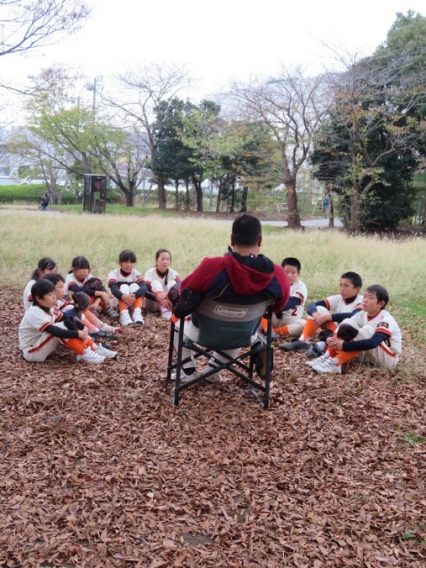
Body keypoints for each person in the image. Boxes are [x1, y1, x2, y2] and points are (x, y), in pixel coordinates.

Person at [171, 214, 290, 381]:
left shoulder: (211, 267)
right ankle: (212, 372)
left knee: (176, 324)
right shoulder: (277, 275)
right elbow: (279, 306)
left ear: (232, 239)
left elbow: (185, 292)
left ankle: (189, 372)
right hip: (244, 334)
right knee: (240, 325)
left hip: (203, 332)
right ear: (260, 240)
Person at [308, 285, 402, 374]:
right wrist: (330, 337)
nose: (365, 300)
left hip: (387, 359)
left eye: (370, 298)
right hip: (367, 354)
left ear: (381, 303)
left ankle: (336, 363)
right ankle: (328, 356)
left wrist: (344, 345)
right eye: (364, 296)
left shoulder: (385, 319)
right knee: (347, 322)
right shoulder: (363, 314)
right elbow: (343, 325)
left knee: (368, 330)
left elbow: (373, 342)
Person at [19, 279, 112, 364]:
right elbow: (54, 331)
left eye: (54, 293)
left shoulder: (48, 307)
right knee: (59, 327)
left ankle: (94, 347)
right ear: (39, 298)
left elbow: (65, 318)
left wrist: (83, 327)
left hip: (41, 343)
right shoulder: (35, 312)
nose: (54, 297)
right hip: (31, 351)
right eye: (50, 295)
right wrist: (77, 334)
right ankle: (84, 352)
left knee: (67, 322)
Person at [279, 271, 363, 356]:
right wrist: (316, 315)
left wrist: (328, 317)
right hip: (335, 333)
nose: (342, 288)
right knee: (319, 309)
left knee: (345, 324)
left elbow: (353, 316)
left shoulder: (361, 301)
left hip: (350, 337)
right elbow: (312, 305)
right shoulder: (339, 298)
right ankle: (303, 341)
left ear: (357, 289)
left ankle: (320, 347)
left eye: (346, 286)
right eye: (340, 285)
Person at [260, 257, 307, 339]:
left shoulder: (301, 286)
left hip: (289, 321)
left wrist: (274, 306)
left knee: (304, 325)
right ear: (281, 271)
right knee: (258, 309)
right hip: (272, 318)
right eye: (287, 271)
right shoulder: (275, 281)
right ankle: (268, 331)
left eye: (293, 272)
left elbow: (291, 302)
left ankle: (272, 333)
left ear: (298, 274)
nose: (289, 275)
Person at [108, 249, 147, 327]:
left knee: (135, 286)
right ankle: (123, 314)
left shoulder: (137, 274)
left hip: (132, 301)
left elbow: (144, 288)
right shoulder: (114, 274)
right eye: (126, 262)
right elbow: (113, 289)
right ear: (120, 262)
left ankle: (137, 313)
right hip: (117, 301)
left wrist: (134, 296)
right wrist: (123, 296)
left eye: (131, 262)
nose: (129, 265)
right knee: (124, 286)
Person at [144, 248, 181, 321]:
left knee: (173, 284)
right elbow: (145, 291)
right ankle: (165, 311)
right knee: (155, 283)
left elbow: (181, 287)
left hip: (168, 303)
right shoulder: (150, 273)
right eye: (163, 259)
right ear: (156, 261)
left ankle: (167, 311)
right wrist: (159, 298)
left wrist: (166, 294)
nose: (165, 261)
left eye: (168, 259)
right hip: (153, 304)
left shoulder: (173, 273)